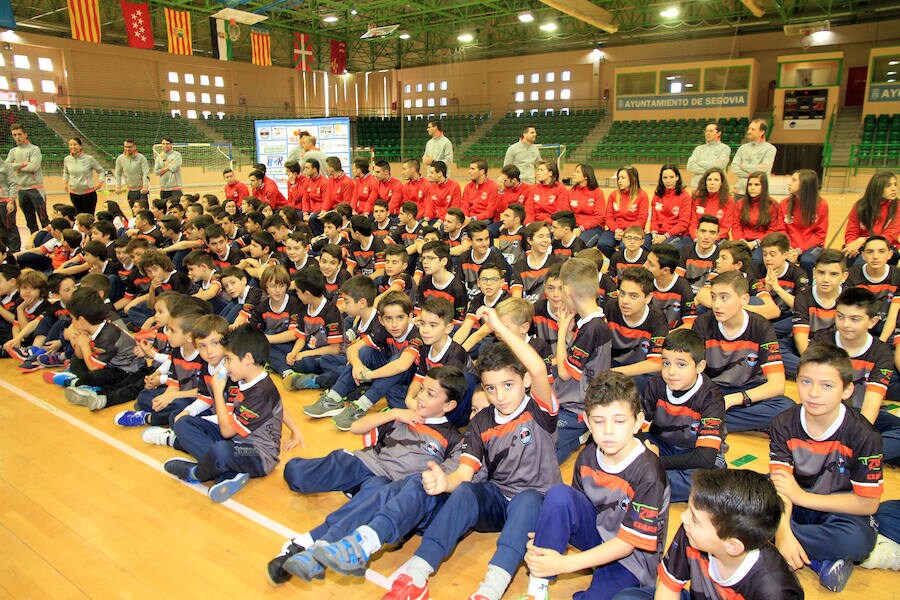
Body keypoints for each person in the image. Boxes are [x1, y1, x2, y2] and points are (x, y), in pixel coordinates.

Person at [380, 307, 561, 600]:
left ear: (525, 381)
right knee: (465, 491)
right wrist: (445, 483)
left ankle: (489, 591)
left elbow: (539, 368)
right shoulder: (481, 422)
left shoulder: (538, 410)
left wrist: (500, 329)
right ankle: (417, 574)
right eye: (491, 388)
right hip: (500, 502)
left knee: (528, 499)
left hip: (536, 503)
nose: (500, 396)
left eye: (508, 385)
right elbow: (464, 472)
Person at [269, 365, 466, 585]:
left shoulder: (453, 439)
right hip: (363, 462)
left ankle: (304, 545)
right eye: (421, 390)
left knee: (372, 495)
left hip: (387, 482)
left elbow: (448, 479)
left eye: (430, 394)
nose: (420, 397)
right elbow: (356, 428)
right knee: (295, 473)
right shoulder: (401, 414)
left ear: (449, 405)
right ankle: (345, 499)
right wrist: (394, 413)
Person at [523, 371, 670, 600]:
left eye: (619, 421)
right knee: (559, 495)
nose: (608, 431)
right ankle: (538, 585)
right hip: (599, 536)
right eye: (599, 421)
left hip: (630, 560)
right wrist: (550, 532)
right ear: (588, 422)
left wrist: (564, 564)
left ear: (638, 422)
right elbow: (574, 508)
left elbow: (627, 545)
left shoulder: (649, 473)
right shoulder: (588, 456)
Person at [770, 343, 883, 592]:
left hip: (839, 509)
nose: (813, 393)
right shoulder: (784, 422)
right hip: (793, 505)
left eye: (827, 385)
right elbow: (781, 485)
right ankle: (821, 560)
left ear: (847, 390)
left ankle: (764, 541)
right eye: (806, 382)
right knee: (742, 502)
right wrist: (784, 534)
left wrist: (802, 498)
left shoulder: (864, 435)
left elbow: (868, 504)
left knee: (859, 540)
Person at [613, 469, 803, 600]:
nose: (684, 518)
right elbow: (669, 586)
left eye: (695, 518)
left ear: (733, 546)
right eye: (689, 509)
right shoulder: (692, 533)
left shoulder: (774, 590)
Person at [165, 324, 302, 503]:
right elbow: (278, 406)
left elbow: (227, 432)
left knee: (221, 450)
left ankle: (197, 473)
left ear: (247, 359)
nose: (226, 365)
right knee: (184, 423)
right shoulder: (246, 378)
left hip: (257, 454)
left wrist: (217, 390)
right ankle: (227, 473)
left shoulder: (261, 391)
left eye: (228, 359)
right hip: (236, 442)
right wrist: (295, 430)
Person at [303, 290, 422, 430]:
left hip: (410, 381)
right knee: (365, 351)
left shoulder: (416, 335)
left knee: (397, 359)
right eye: (389, 319)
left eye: (400, 318)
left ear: (410, 316)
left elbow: (402, 365)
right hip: (386, 374)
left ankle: (361, 406)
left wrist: (368, 375)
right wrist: (357, 366)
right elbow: (352, 349)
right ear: (381, 320)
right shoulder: (383, 329)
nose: (394, 324)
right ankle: (334, 398)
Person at [691, 270, 793, 433]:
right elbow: (692, 374)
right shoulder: (702, 324)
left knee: (786, 408)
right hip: (713, 390)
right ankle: (717, 420)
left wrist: (733, 399)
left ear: (744, 299)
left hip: (748, 391)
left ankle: (707, 422)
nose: (716, 304)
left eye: (724, 297)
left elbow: (777, 385)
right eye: (713, 297)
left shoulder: (761, 327)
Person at [810, 288, 900, 463]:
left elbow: (872, 403)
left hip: (862, 415)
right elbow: (813, 394)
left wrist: (855, 438)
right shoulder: (821, 343)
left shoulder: (881, 353)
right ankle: (857, 458)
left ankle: (841, 457)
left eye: (855, 319)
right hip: (824, 412)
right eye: (840, 316)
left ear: (872, 321)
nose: (846, 324)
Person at [640, 329, 725, 502]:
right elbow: (634, 428)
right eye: (666, 363)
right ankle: (647, 482)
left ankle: (641, 481)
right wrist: (644, 447)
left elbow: (704, 457)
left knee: (707, 484)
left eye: (681, 364)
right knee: (621, 446)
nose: (671, 372)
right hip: (661, 443)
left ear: (700, 366)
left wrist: (655, 461)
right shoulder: (655, 385)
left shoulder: (711, 397)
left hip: (696, 452)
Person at [553, 258, 612, 464]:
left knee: (544, 451)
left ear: (568, 291)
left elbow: (564, 372)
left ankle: (583, 431)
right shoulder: (593, 321)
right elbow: (582, 359)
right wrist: (569, 336)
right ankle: (580, 436)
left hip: (575, 407)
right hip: (577, 400)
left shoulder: (591, 327)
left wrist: (561, 335)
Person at [843, 171, 899, 260]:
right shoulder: (860, 206)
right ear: (877, 188)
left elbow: (890, 235)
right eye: (888, 185)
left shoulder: (898, 207)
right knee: (845, 259)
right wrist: (852, 246)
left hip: (886, 247)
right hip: (859, 247)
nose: (894, 189)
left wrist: (863, 240)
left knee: (863, 262)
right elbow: (851, 232)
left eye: (895, 184)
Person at [782, 168, 829, 276]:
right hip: (790, 246)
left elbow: (820, 235)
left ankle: (807, 289)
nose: (789, 183)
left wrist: (799, 250)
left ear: (805, 185)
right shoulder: (784, 204)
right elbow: (781, 230)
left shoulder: (821, 205)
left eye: (794, 180)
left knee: (807, 260)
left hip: (811, 246)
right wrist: (789, 248)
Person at [733, 171, 784, 263]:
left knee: (756, 260)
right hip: (742, 242)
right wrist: (742, 241)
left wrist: (755, 243)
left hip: (763, 243)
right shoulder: (740, 203)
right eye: (750, 184)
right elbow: (736, 225)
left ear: (764, 187)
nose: (752, 188)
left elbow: (772, 230)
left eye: (757, 185)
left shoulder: (772, 205)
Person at [599, 166, 649, 259]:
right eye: (618, 178)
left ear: (633, 179)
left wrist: (626, 232)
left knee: (624, 247)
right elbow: (608, 217)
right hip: (615, 230)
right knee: (603, 244)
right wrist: (616, 230)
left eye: (623, 178)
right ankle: (617, 261)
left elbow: (642, 220)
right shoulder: (613, 195)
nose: (619, 181)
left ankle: (623, 263)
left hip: (633, 230)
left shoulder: (642, 196)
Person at [6, 122, 48, 233]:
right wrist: (22, 164)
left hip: (36, 189)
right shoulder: (13, 151)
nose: (17, 137)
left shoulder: (34, 149)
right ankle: (35, 243)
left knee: (44, 219)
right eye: (14, 135)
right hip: (21, 191)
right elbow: (6, 167)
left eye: (19, 134)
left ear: (25, 134)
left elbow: (34, 167)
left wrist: (17, 168)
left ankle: (48, 244)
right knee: (30, 222)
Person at [729, 118, 776, 198]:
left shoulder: (770, 149)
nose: (749, 131)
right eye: (749, 128)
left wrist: (743, 166)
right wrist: (751, 174)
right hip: (740, 191)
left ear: (762, 132)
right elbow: (734, 168)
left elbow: (763, 169)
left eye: (753, 129)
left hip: (759, 193)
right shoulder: (742, 148)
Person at [649, 164, 692, 247]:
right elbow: (653, 218)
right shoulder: (657, 195)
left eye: (671, 177)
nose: (668, 181)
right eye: (665, 178)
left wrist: (665, 236)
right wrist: (654, 234)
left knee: (662, 249)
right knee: (641, 244)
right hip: (657, 234)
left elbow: (683, 224)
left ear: (677, 177)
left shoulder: (685, 197)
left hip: (675, 235)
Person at [689, 167, 733, 241]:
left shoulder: (728, 200)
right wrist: (696, 238)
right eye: (709, 180)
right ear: (705, 182)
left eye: (716, 180)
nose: (712, 183)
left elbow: (726, 226)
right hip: (697, 237)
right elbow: (693, 222)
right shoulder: (697, 199)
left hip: (718, 238)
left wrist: (710, 239)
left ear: (721, 183)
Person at [62, 137, 104, 215]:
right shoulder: (67, 159)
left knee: (88, 217)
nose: (72, 147)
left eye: (75, 144)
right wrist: (65, 182)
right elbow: (66, 172)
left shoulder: (89, 159)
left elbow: (101, 170)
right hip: (74, 194)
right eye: (70, 145)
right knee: (79, 217)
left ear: (80, 146)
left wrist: (100, 182)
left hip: (88, 193)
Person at [567, 163, 606, 246]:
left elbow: (599, 217)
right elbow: (566, 213)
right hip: (574, 226)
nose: (574, 174)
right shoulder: (570, 192)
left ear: (586, 176)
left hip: (593, 227)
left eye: (577, 172)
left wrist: (581, 228)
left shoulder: (597, 192)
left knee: (579, 245)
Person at [686, 122, 731, 189]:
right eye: (706, 131)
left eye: (711, 131)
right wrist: (711, 170)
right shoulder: (698, 149)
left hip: (716, 188)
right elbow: (690, 166)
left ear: (719, 133)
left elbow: (719, 166)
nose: (708, 133)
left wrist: (699, 162)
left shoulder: (725, 148)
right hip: (697, 187)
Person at [0, 160, 18, 252]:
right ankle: (3, 253)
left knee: (10, 229)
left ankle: (14, 253)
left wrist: (11, 201)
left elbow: (13, 184)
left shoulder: (6, 166)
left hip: (5, 202)